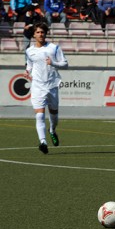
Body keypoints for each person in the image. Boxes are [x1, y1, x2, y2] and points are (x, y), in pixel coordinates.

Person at [24, 22, 68, 154]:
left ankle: (52, 130)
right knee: (39, 115)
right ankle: (43, 142)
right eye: (37, 32)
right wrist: (27, 70)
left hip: (52, 85)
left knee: (54, 114)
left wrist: (53, 63)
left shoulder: (54, 48)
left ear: (46, 33)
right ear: (34, 35)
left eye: (42, 32)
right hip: (37, 85)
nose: (40, 34)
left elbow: (65, 64)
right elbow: (30, 64)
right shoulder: (29, 51)